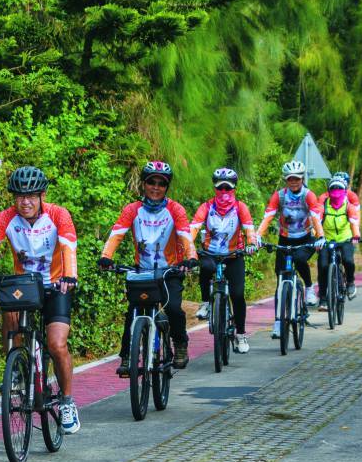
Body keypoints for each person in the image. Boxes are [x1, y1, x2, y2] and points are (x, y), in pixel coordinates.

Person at [0, 166, 82, 434]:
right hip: (26, 287)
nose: (25, 202)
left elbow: (69, 247)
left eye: (31, 196)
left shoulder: (58, 215)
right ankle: (16, 367)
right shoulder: (5, 218)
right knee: (8, 309)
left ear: (42, 195)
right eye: (19, 197)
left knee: (57, 344)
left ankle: (67, 401)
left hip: (56, 285)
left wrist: (70, 276)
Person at [99, 160, 199, 375]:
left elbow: (185, 236)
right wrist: (106, 256)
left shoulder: (175, 209)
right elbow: (116, 234)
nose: (156, 187)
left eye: (161, 184)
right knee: (132, 313)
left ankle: (180, 344)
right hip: (142, 271)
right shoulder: (132, 210)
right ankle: (126, 356)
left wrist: (190, 257)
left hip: (170, 271)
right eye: (151, 182)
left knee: (173, 310)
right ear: (143, 184)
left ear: (166, 187)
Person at [190, 167, 259, 355]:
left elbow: (249, 229)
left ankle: (241, 334)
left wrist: (251, 243)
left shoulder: (240, 208)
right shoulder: (206, 207)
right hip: (210, 254)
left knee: (237, 295)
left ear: (234, 189)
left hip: (233, 255)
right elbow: (193, 228)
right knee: (204, 266)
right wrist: (187, 246)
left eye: (228, 189)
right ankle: (205, 302)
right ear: (215, 189)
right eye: (220, 188)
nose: (224, 193)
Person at [259, 161, 325, 339]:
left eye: (296, 178)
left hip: (305, 237)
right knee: (281, 282)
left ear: (302, 178)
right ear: (286, 180)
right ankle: (279, 322)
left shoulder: (308, 195)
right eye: (290, 179)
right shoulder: (279, 196)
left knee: (301, 260)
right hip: (285, 238)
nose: (294, 182)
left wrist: (320, 236)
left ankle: (310, 288)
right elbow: (268, 216)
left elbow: (316, 216)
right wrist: (257, 236)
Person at [318, 176, 362, 299]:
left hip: (345, 239)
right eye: (333, 188)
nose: (336, 191)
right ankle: (322, 297)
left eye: (339, 188)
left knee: (348, 261)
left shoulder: (349, 206)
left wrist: (356, 235)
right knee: (323, 266)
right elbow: (316, 222)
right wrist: (317, 237)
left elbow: (354, 223)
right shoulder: (323, 206)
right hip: (327, 240)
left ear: (345, 191)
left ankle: (350, 282)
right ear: (328, 191)